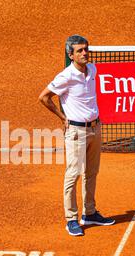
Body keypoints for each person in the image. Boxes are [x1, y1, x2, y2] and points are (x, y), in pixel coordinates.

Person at [38, 34, 115, 236]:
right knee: (73, 174)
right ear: (70, 54)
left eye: (86, 49)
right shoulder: (66, 76)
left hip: (95, 128)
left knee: (92, 172)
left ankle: (89, 213)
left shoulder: (93, 69)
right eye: (80, 51)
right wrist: (62, 117)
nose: (84, 53)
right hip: (76, 131)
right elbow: (44, 97)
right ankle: (71, 218)